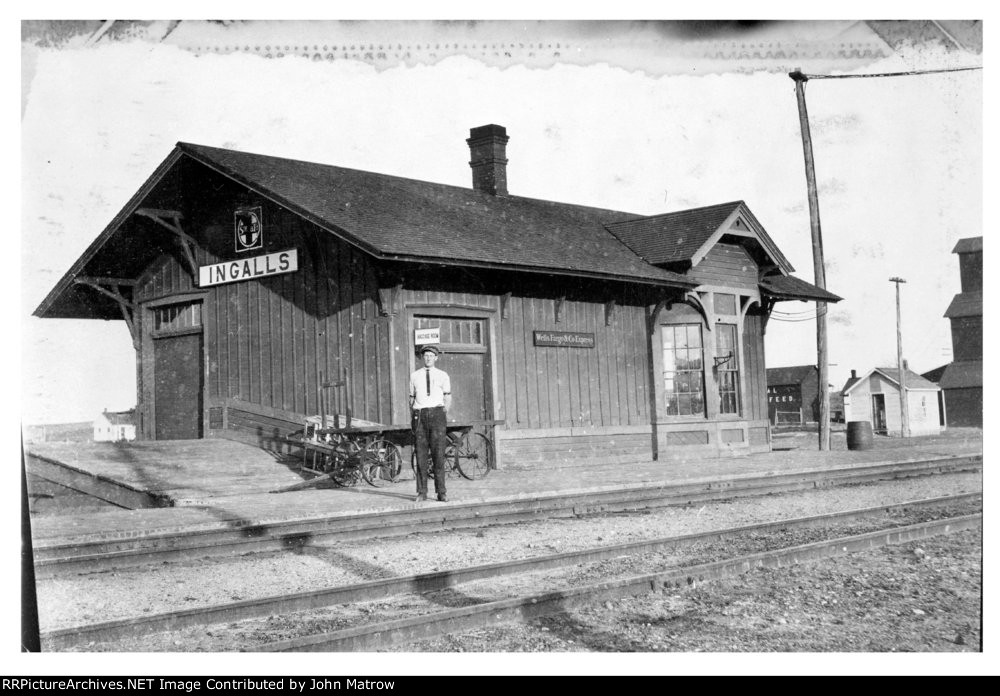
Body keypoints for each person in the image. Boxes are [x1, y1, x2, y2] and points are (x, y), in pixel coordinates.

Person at [409, 345, 452, 502]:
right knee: (420, 455)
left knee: (438, 454)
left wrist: (441, 414)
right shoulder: (414, 376)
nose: (428, 358)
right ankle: (422, 492)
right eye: (425, 355)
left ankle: (441, 492)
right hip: (420, 415)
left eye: (431, 356)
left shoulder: (442, 375)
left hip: (437, 415)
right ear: (422, 358)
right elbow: (411, 399)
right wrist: (415, 415)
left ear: (436, 358)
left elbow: (447, 397)